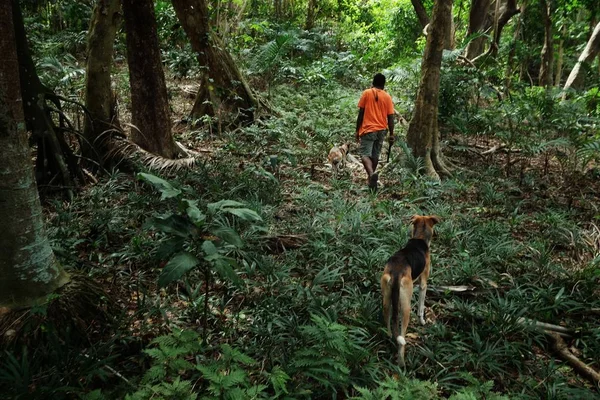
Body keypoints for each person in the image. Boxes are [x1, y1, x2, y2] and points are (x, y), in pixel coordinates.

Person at [355, 73, 395, 191]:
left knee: (364, 154)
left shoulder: (366, 93)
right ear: (383, 84)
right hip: (381, 130)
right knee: (375, 155)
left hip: (368, 129)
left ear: (373, 82)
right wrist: (391, 133)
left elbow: (361, 113)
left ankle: (371, 175)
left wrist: (357, 130)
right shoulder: (387, 97)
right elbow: (391, 117)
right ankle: (371, 180)